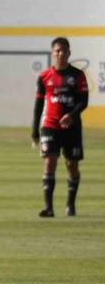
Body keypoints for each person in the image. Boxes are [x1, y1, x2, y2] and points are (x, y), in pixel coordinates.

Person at [33, 36, 89, 217]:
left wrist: (71, 116)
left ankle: (70, 204)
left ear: (69, 53)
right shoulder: (44, 77)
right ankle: (49, 208)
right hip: (50, 125)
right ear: (53, 53)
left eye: (63, 51)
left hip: (72, 128)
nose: (60, 54)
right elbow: (38, 105)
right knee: (50, 162)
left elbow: (83, 102)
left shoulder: (77, 75)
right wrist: (34, 131)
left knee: (72, 165)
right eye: (57, 51)